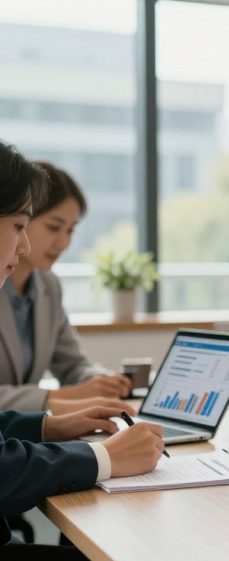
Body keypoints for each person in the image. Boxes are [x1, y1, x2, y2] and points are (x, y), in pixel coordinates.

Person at [0, 140, 165, 561]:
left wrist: (49, 425)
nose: (23, 246)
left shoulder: (47, 289)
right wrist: (102, 459)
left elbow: (72, 361)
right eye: (20, 225)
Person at [0, 161, 134, 413]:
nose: (63, 242)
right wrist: (57, 397)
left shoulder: (48, 286)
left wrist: (99, 381)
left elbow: (73, 363)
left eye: (70, 230)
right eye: (54, 227)